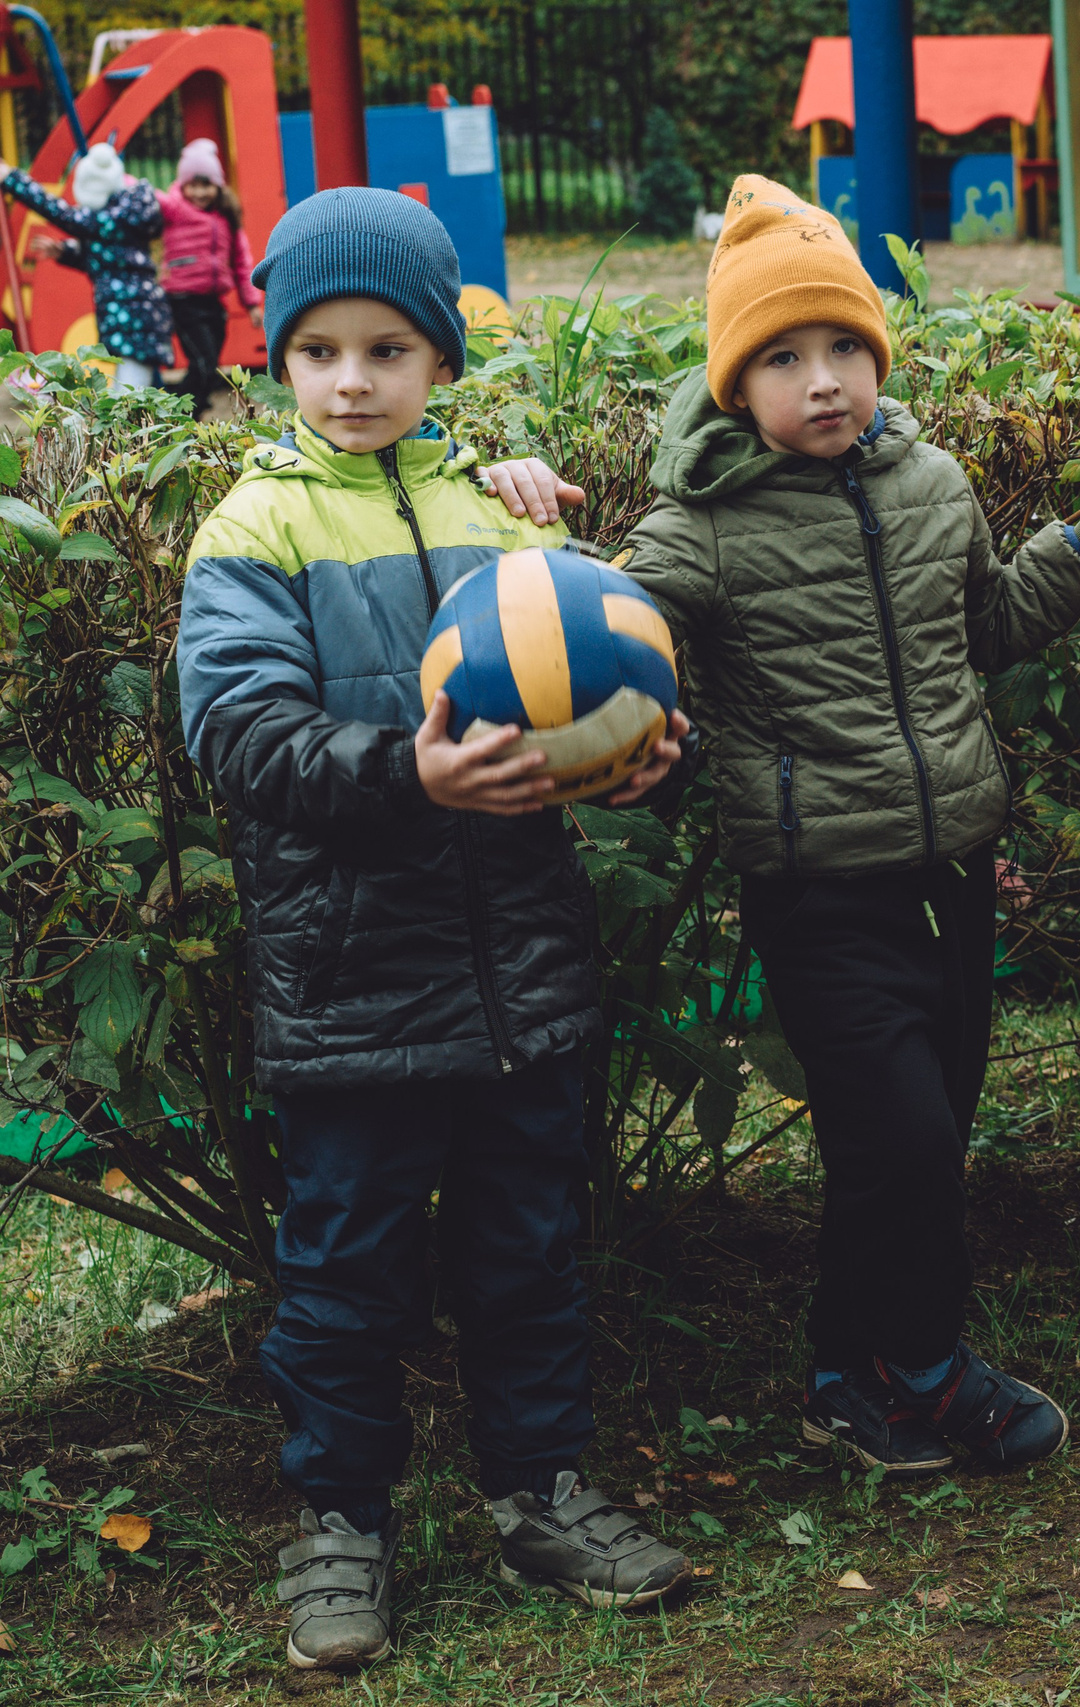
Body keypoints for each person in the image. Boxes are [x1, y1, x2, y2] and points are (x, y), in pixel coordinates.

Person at [175, 188, 693, 1671]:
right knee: (345, 1269)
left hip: (521, 971)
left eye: (388, 348)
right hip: (352, 981)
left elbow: (607, 687)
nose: (352, 380)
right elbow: (244, 738)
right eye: (320, 350)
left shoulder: (500, 514)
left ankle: (541, 1491)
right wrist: (412, 771)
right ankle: (342, 1524)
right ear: (279, 361)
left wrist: (660, 757)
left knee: (531, 1245)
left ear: (442, 359)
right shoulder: (255, 527)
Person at [619, 176, 1080, 1477]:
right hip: (822, 891)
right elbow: (589, 630)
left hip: (953, 871)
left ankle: (846, 1374)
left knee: (903, 1147)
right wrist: (519, 524)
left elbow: (984, 628)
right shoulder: (698, 530)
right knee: (912, 1144)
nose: (821, 380)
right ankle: (935, 1373)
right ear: (733, 381)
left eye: (842, 349)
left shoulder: (929, 477)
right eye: (781, 356)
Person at [4, 141, 171, 389]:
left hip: (133, 318)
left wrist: (12, 179)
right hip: (133, 314)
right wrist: (67, 252)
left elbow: (61, 214)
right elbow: (114, 259)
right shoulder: (124, 217)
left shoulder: (116, 216)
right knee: (132, 388)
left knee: (130, 393)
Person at [158, 137, 263, 414]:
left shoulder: (226, 217)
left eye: (206, 185)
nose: (199, 193)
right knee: (204, 363)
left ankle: (185, 406)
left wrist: (251, 303)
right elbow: (149, 196)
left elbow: (241, 262)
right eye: (192, 185)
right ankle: (182, 409)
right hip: (183, 300)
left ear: (218, 186)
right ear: (183, 185)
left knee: (209, 366)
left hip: (214, 303)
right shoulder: (175, 208)